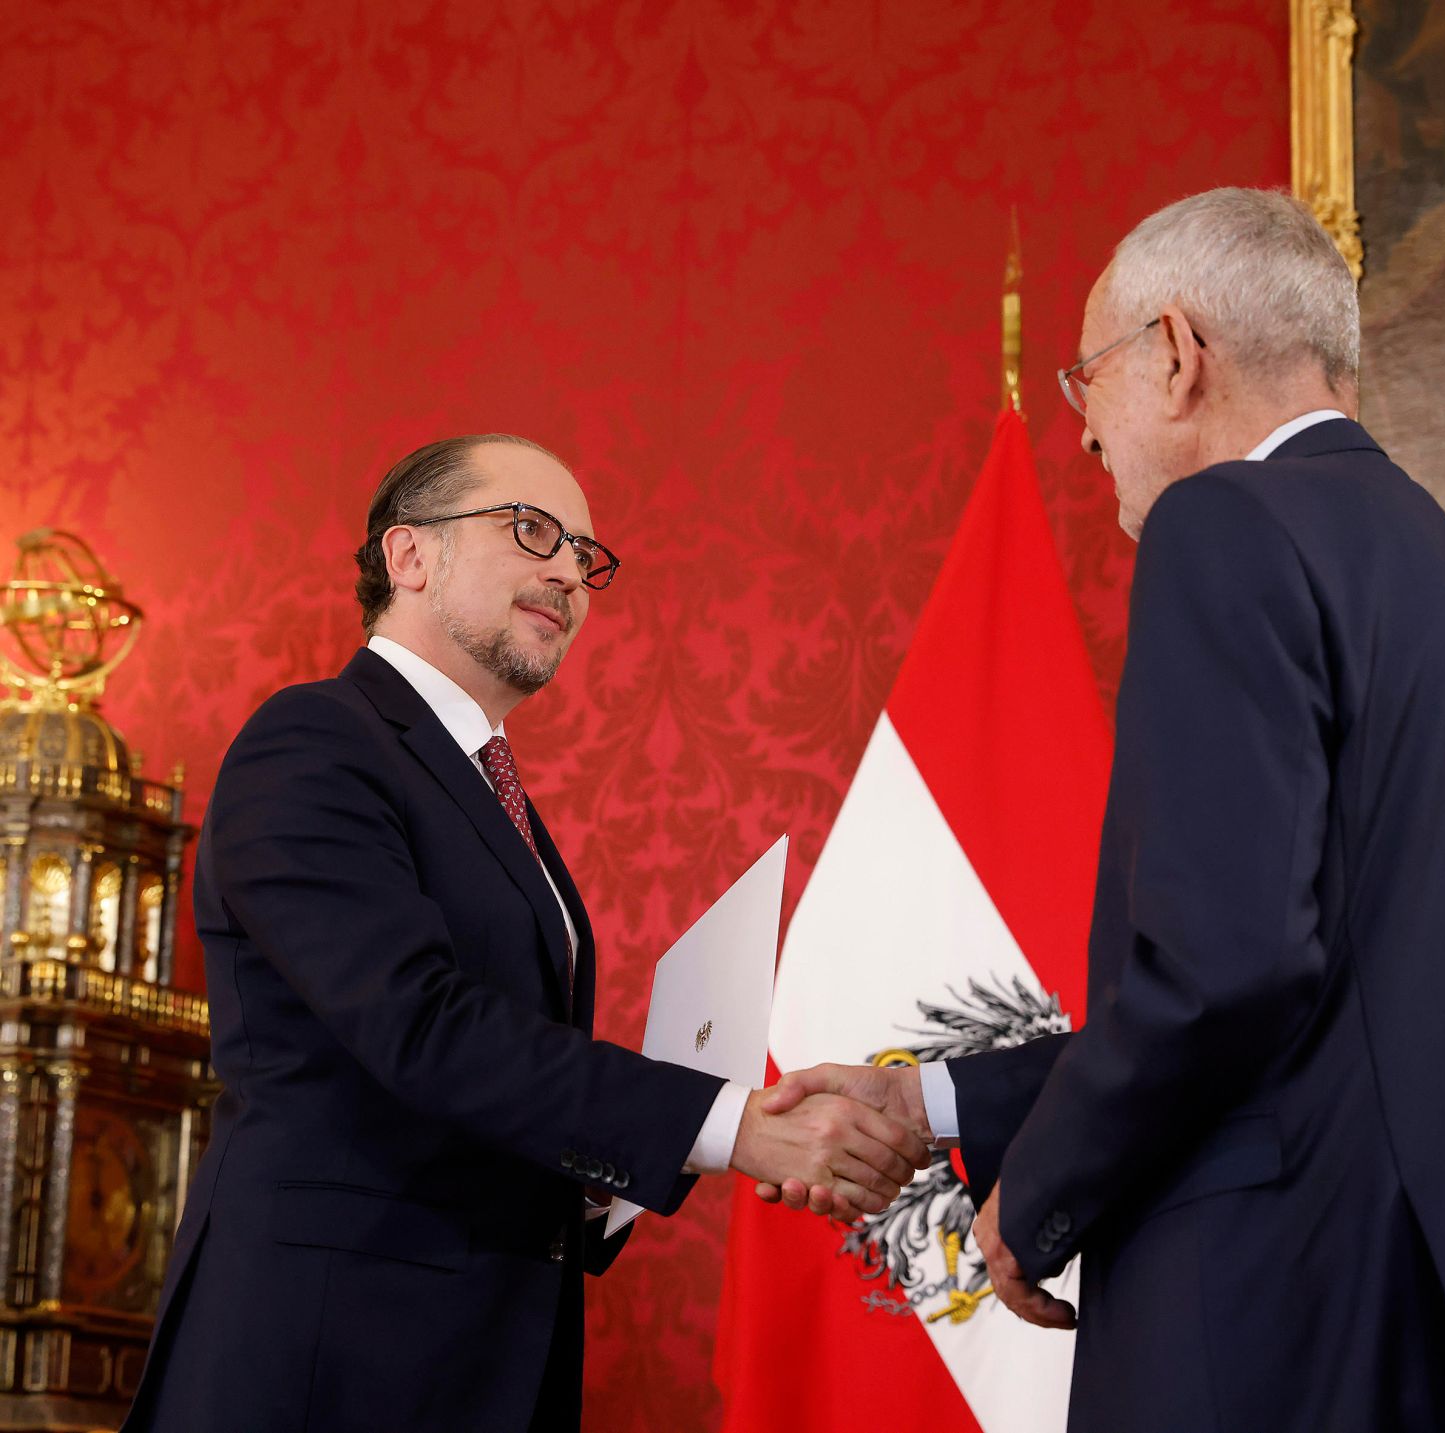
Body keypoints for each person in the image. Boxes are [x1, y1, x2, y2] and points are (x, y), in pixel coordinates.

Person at [764, 189, 1445, 1432]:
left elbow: (1224, 969)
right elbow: (1318, 999)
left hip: (1267, 1319)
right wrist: (929, 1102)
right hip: (1428, 1314)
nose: (1082, 433)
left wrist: (1035, 1193)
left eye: (1085, 377)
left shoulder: (1226, 523)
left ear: (1175, 352)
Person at [121, 434, 928, 1433]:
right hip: (323, 1359)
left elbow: (479, 1088)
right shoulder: (314, 738)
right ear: (409, 555)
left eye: (585, 554)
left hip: (472, 1364)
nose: (570, 575)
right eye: (531, 530)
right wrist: (733, 1125)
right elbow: (420, 1028)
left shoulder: (484, 784)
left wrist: (617, 1176)